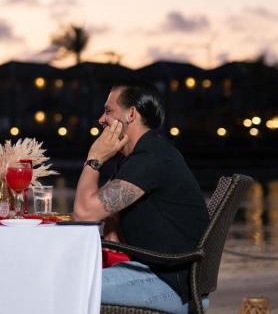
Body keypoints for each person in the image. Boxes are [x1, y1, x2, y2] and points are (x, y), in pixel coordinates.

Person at [72, 79, 209, 314]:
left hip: (172, 285)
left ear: (131, 114)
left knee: (65, 284)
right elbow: (104, 213)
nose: (101, 119)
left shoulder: (151, 157)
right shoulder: (139, 155)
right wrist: (112, 221)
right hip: (163, 275)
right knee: (66, 275)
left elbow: (84, 213)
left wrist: (94, 159)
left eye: (108, 111)